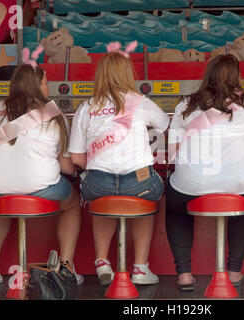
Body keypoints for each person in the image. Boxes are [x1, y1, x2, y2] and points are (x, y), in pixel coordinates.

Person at [69, 42, 170, 286]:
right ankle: (140, 267)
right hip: (139, 183)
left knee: (101, 200)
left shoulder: (86, 107)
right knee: (150, 196)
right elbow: (166, 124)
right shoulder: (141, 102)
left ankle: (102, 263)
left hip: (98, 184)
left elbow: (76, 159)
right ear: (127, 74)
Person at [0, 64, 82, 286]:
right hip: (41, 187)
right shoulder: (53, 114)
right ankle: (66, 266)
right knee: (72, 202)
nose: (47, 86)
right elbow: (67, 168)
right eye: (45, 82)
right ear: (36, 85)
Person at [165, 54, 244, 290]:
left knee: (176, 206)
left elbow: (172, 150)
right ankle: (233, 270)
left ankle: (184, 274)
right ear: (238, 76)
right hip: (241, 183)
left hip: (191, 185)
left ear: (207, 75)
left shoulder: (186, 104)